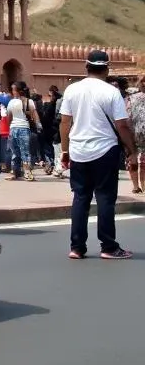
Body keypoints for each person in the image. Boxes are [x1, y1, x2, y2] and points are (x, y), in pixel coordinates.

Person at [60, 50, 137, 260]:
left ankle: (76, 247)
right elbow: (122, 125)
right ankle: (108, 247)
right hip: (105, 150)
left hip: (78, 150)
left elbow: (65, 122)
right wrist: (132, 150)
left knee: (80, 198)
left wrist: (65, 150)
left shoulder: (72, 90)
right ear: (107, 68)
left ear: (86, 67)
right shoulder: (111, 92)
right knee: (104, 198)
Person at [6, 82, 39, 181]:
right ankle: (21, 172)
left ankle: (21, 172)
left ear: (18, 91)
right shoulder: (25, 102)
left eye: (13, 90)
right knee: (20, 151)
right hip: (21, 128)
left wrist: (9, 128)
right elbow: (34, 114)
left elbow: (9, 117)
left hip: (18, 128)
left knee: (19, 151)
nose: (12, 92)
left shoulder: (16, 102)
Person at [123, 75, 145, 195]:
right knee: (141, 161)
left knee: (133, 159)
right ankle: (142, 185)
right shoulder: (130, 98)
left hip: (132, 133)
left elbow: (126, 116)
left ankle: (136, 186)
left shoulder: (130, 99)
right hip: (136, 133)